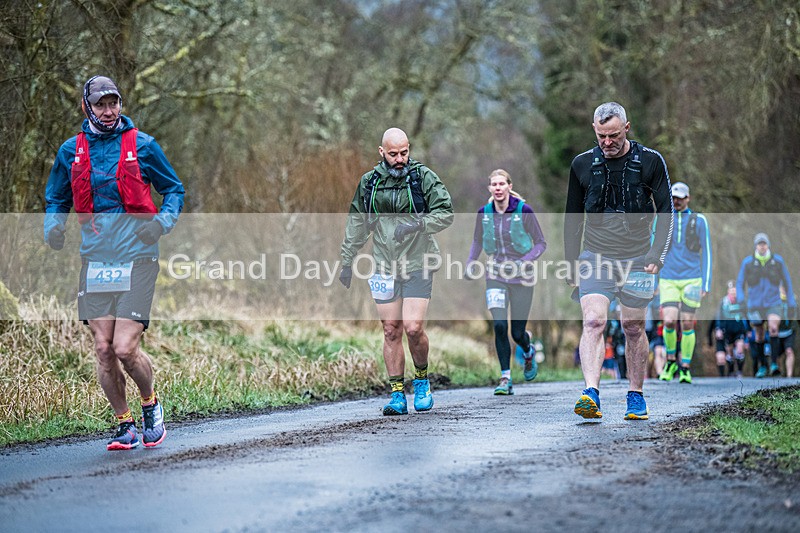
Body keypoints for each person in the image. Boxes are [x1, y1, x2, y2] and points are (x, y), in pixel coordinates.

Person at [44, 75, 185, 450]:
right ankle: (125, 425)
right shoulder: (70, 151)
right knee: (104, 349)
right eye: (101, 104)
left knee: (124, 347)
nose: (109, 111)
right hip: (95, 260)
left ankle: (150, 404)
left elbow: (174, 190)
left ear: (121, 104)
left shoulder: (143, 145)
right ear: (87, 107)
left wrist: (160, 224)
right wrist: (53, 226)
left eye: (114, 103)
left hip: (138, 257)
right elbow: (56, 197)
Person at [564, 101, 673, 420]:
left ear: (627, 128)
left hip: (638, 258)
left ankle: (636, 395)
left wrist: (657, 255)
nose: (607, 142)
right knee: (593, 321)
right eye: (601, 136)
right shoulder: (582, 164)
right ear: (594, 130)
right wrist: (571, 261)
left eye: (613, 135)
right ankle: (591, 393)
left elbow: (666, 211)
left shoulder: (651, 161)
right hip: (595, 256)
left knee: (633, 326)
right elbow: (572, 218)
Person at [339, 128, 453, 415]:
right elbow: (357, 222)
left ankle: (422, 381)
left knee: (413, 328)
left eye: (404, 152)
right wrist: (347, 260)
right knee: (391, 329)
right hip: (383, 265)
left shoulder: (422, 177)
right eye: (393, 154)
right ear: (382, 152)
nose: (400, 159)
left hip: (418, 262)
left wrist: (418, 225)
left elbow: (446, 212)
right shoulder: (370, 183)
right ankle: (397, 395)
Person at [466, 169, 547, 395]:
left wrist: (523, 262)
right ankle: (505, 378)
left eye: (502, 184)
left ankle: (528, 351)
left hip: (522, 278)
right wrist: (471, 261)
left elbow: (541, 243)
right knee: (500, 325)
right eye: (494, 184)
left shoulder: (524, 210)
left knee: (517, 333)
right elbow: (477, 240)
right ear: (489, 188)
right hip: (495, 275)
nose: (498, 188)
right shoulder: (484, 213)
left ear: (510, 186)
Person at [657, 181, 712, 384]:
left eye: (680, 198)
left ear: (688, 198)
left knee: (687, 322)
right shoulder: (663, 220)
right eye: (673, 198)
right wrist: (653, 279)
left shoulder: (699, 220)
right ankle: (671, 361)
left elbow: (707, 252)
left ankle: (685, 367)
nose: (676, 201)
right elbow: (655, 249)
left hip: (692, 278)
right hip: (668, 278)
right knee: (669, 321)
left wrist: (706, 283)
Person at [736, 233, 796, 378]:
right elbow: (740, 283)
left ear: (768, 245)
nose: (762, 246)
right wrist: (741, 300)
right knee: (759, 335)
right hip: (755, 304)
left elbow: (787, 282)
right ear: (756, 246)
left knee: (773, 328)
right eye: (759, 244)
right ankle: (763, 365)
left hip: (773, 302)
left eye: (764, 244)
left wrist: (791, 302)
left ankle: (774, 364)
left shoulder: (777, 261)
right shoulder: (748, 263)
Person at [713, 280, 748, 377]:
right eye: (731, 291)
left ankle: (740, 371)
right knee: (730, 351)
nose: (733, 293)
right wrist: (718, 328)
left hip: (739, 329)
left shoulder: (742, 301)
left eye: (735, 291)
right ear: (728, 291)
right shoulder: (723, 302)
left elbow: (746, 315)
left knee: (740, 349)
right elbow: (719, 316)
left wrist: (748, 330)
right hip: (727, 330)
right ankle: (731, 370)